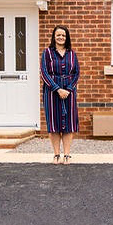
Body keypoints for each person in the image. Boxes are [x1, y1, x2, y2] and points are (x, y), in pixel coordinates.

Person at [41, 25, 79, 164]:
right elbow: (44, 73)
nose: (61, 37)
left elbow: (76, 73)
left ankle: (67, 155)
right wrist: (57, 88)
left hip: (69, 93)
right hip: (51, 93)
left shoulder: (72, 54)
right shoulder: (47, 53)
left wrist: (68, 89)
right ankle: (56, 154)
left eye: (63, 35)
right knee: (54, 123)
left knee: (68, 124)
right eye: (58, 35)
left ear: (67, 37)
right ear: (54, 36)